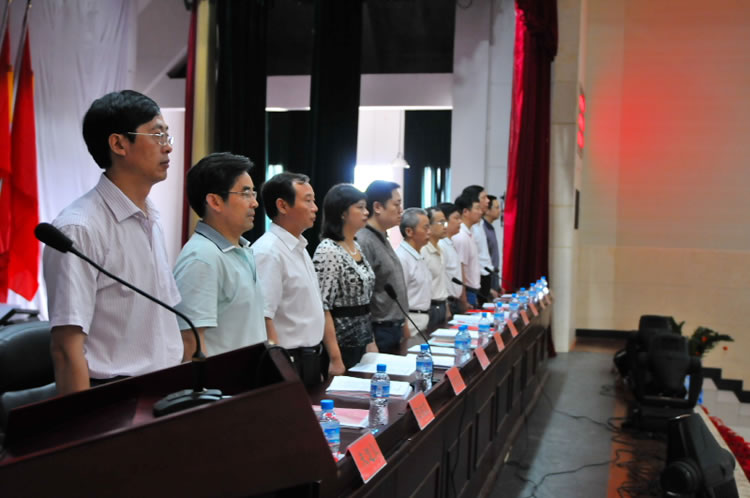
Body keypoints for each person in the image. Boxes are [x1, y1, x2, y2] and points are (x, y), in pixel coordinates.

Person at [44, 90, 183, 394]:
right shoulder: (78, 229)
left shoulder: (150, 218)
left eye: (167, 135)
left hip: (164, 392)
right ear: (119, 144)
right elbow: (66, 350)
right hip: (114, 398)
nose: (168, 147)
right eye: (157, 135)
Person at [173, 152, 267, 359]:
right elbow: (191, 345)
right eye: (245, 194)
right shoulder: (201, 258)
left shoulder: (242, 249)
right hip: (224, 381)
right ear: (215, 201)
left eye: (253, 193)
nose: (254, 203)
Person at [252, 172, 341, 384]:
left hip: (310, 358)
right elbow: (264, 317)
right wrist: (280, 368)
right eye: (308, 201)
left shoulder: (298, 246)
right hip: (288, 361)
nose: (315, 208)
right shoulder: (268, 251)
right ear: (282, 206)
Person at [312, 184, 376, 369]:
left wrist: (371, 342)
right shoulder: (328, 250)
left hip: (362, 342)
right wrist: (335, 358)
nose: (366, 212)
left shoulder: (356, 246)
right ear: (342, 213)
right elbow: (324, 308)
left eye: (366, 207)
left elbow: (364, 303)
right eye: (360, 207)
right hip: (340, 346)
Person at [356, 180, 409, 354]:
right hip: (379, 331)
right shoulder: (364, 240)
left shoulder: (382, 237)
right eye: (396, 204)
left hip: (394, 327)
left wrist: (404, 323)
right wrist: (370, 340)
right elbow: (362, 296)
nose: (401, 210)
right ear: (378, 207)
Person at [395, 208, 432, 338]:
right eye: (425, 228)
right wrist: (405, 329)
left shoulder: (418, 254)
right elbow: (399, 299)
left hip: (422, 322)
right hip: (411, 325)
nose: (429, 232)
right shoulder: (402, 258)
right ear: (409, 231)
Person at [462, 185, 494, 302]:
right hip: (476, 279)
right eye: (484, 197)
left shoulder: (480, 223)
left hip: (484, 275)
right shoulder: (468, 228)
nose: (488, 201)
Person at [451, 193, 483, 309]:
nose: (481, 212)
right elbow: (461, 269)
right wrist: (464, 299)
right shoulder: (461, 236)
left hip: (472, 291)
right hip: (466, 292)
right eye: (477, 208)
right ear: (465, 211)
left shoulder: (469, 233)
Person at [421, 206, 451, 329]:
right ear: (428, 226)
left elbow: (441, 282)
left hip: (442, 305)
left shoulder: (441, 248)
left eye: (445, 222)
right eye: (441, 222)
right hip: (430, 308)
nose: (445, 226)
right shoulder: (423, 251)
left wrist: (447, 307)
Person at [438, 202, 465, 315]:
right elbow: (441, 279)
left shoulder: (450, 243)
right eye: (456, 218)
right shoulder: (441, 245)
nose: (460, 222)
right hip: (448, 303)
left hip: (455, 301)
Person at [483, 194, 502, 292]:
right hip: (487, 275)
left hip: (494, 273)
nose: (500, 210)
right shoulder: (483, 228)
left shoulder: (490, 227)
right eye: (497, 207)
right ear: (487, 210)